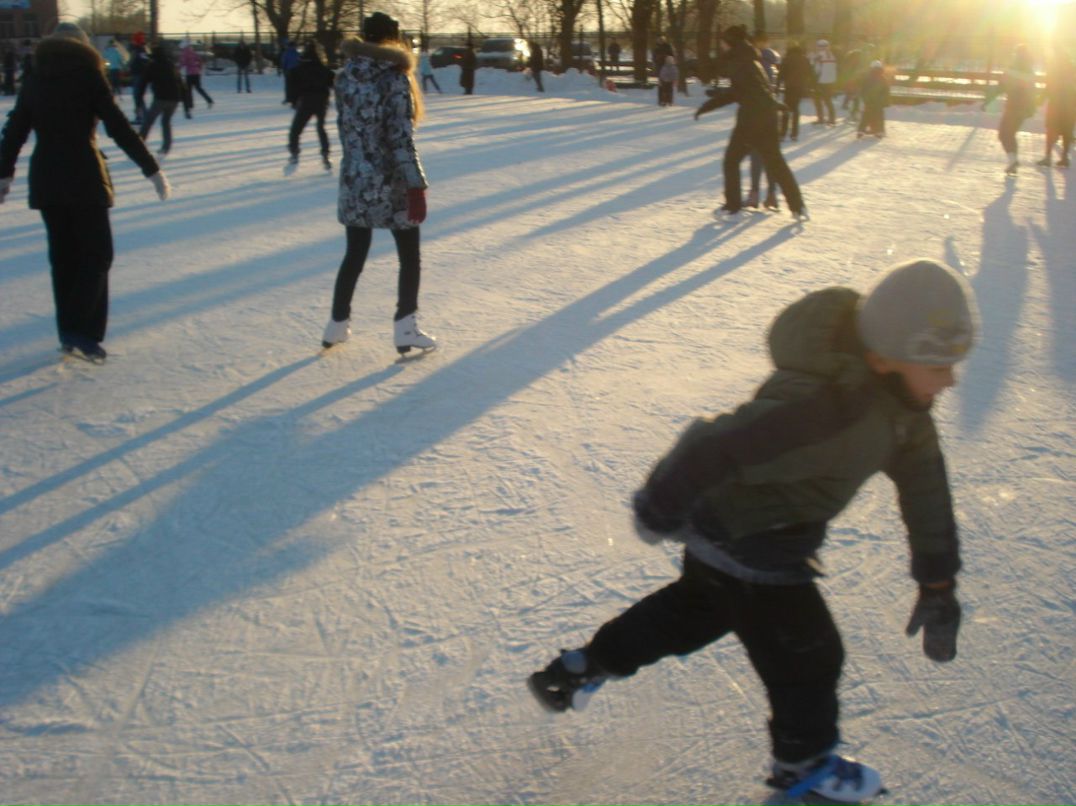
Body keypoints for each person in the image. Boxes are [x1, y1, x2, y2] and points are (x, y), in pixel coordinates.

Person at [529, 257, 977, 804]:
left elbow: (927, 491)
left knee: (689, 614)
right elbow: (719, 443)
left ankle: (584, 666)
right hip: (755, 545)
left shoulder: (907, 412)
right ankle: (803, 770)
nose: (951, 380)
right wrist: (660, 503)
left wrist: (938, 581)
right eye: (939, 367)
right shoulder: (831, 410)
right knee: (812, 656)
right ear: (884, 358)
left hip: (736, 534)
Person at [0, 22, 170, 363]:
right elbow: (119, 127)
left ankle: (69, 332)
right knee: (97, 255)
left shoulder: (35, 79)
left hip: (46, 178)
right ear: (82, 46)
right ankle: (82, 333)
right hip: (84, 176)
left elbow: (15, 129)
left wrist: (3, 175)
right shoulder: (88, 76)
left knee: (64, 258)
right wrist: (151, 168)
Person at [322, 13, 436, 355]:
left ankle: (336, 325)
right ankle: (405, 328)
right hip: (392, 182)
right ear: (394, 40)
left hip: (355, 179)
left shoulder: (345, 78)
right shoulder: (394, 78)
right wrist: (416, 185)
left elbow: (347, 131)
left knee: (354, 254)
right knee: (409, 256)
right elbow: (400, 138)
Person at [694, 25, 805, 219]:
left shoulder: (740, 62)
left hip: (752, 120)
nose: (721, 46)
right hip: (765, 118)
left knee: (731, 161)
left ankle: (732, 205)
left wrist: (707, 105)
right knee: (775, 162)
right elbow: (752, 89)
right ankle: (798, 206)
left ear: (729, 43)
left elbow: (745, 91)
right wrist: (775, 105)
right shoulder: (750, 58)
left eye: (722, 42)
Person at [286, 40, 335, 171]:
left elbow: (292, 85)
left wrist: (292, 100)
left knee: (296, 130)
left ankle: (294, 153)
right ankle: (325, 154)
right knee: (321, 128)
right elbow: (333, 82)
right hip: (322, 100)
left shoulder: (299, 69)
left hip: (306, 101)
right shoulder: (323, 69)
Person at [988, 44, 1036, 175]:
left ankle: (1013, 161)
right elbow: (1032, 91)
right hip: (1023, 109)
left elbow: (1001, 86)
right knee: (1010, 134)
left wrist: (989, 100)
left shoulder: (1011, 69)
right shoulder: (1030, 71)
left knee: (1004, 134)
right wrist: (1031, 108)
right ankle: (1013, 161)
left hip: (1012, 107)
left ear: (1016, 54)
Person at [747, 30, 781, 210]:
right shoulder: (773, 66)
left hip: (757, 116)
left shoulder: (756, 66)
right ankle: (771, 195)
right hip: (772, 116)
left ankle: (754, 195)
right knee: (770, 157)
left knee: (756, 157)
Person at [140, 40, 186, 155]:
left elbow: (143, 82)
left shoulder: (152, 65)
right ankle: (166, 146)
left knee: (148, 121)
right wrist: (186, 101)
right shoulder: (171, 64)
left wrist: (139, 97)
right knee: (166, 122)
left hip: (161, 98)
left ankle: (139, 145)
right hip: (174, 98)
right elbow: (180, 81)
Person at [1038, 48, 1075, 168]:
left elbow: (1048, 87)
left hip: (1056, 105)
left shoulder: (1054, 70)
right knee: (1067, 132)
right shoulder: (1073, 70)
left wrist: (1040, 99)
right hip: (1070, 106)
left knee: (1050, 130)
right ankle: (1064, 158)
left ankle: (1048, 157)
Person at [777, 41, 812, 142]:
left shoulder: (787, 59)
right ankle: (794, 133)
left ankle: (783, 133)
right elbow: (810, 73)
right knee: (795, 108)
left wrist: (777, 86)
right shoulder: (805, 59)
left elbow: (781, 74)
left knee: (786, 108)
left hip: (789, 87)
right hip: (800, 87)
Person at [857, 60, 890, 139]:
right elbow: (886, 91)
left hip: (869, 100)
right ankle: (879, 131)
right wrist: (885, 101)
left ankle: (861, 130)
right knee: (879, 116)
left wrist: (865, 98)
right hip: (879, 101)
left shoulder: (867, 78)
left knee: (866, 115)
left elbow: (863, 89)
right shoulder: (883, 78)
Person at [180, 40, 214, 112]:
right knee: (199, 88)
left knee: (188, 90)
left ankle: (190, 105)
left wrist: (177, 68)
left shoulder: (184, 53)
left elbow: (183, 63)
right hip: (197, 74)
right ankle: (209, 100)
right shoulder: (193, 52)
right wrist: (199, 68)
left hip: (189, 74)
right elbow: (200, 61)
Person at [812, 38, 838, 125]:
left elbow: (817, 70)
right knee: (828, 100)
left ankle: (821, 118)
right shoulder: (832, 55)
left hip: (821, 81)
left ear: (819, 47)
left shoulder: (818, 56)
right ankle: (832, 118)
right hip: (831, 81)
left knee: (817, 100)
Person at [127, 31, 150, 124]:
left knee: (137, 96)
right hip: (138, 74)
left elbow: (144, 62)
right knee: (138, 96)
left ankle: (141, 116)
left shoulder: (140, 49)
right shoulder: (139, 49)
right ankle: (143, 115)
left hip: (139, 75)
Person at [280, 40, 300, 105]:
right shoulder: (297, 53)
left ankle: (288, 98)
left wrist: (283, 69)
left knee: (288, 85)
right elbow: (299, 62)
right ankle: (296, 98)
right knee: (296, 85)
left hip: (289, 71)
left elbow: (284, 62)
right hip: (297, 71)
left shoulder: (286, 53)